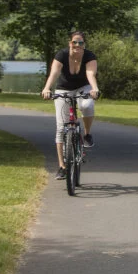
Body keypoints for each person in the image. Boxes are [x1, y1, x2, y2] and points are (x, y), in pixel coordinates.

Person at [40, 30, 99, 180]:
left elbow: (90, 74)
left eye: (80, 43)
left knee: (86, 105)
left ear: (84, 45)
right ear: (70, 43)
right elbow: (54, 73)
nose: (77, 45)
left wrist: (94, 88)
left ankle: (86, 134)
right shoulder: (61, 55)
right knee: (61, 127)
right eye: (74, 42)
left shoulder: (89, 56)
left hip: (83, 88)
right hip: (63, 89)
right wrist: (47, 88)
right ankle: (62, 166)